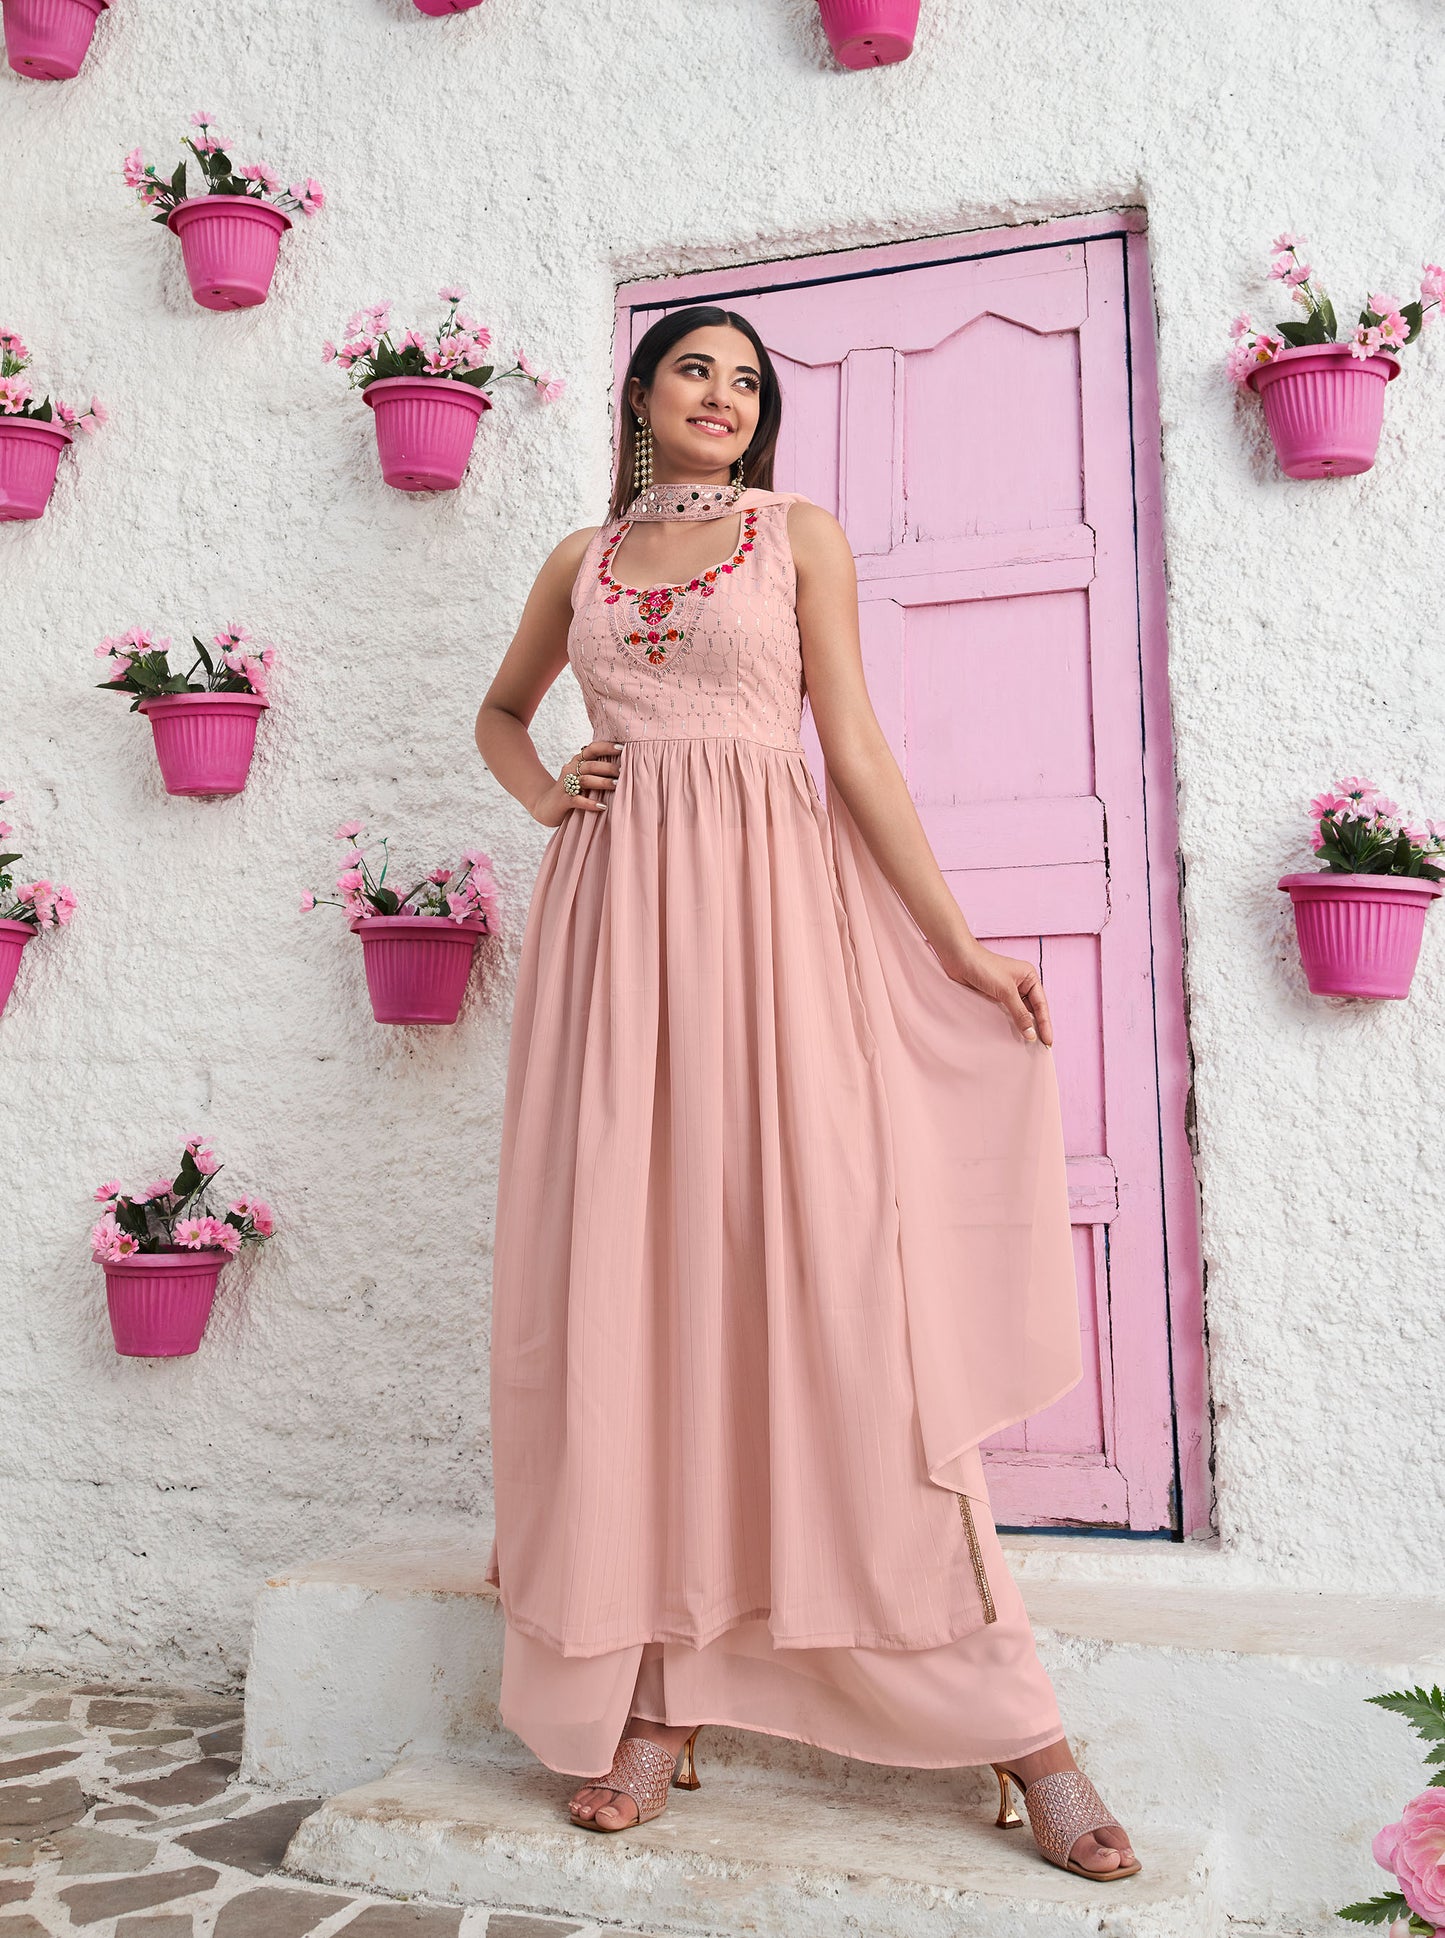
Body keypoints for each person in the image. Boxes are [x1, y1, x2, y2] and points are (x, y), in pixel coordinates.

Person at [473, 305, 1139, 1883]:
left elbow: (855, 751)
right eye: (694, 369)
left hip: (772, 939)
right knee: (637, 1304)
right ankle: (659, 1692)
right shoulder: (576, 561)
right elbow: (500, 716)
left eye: (746, 380)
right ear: (641, 393)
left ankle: (1022, 1730)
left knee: (844, 1304)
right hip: (614, 954)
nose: (722, 394)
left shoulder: (797, 538)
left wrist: (956, 943)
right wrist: (547, 791)